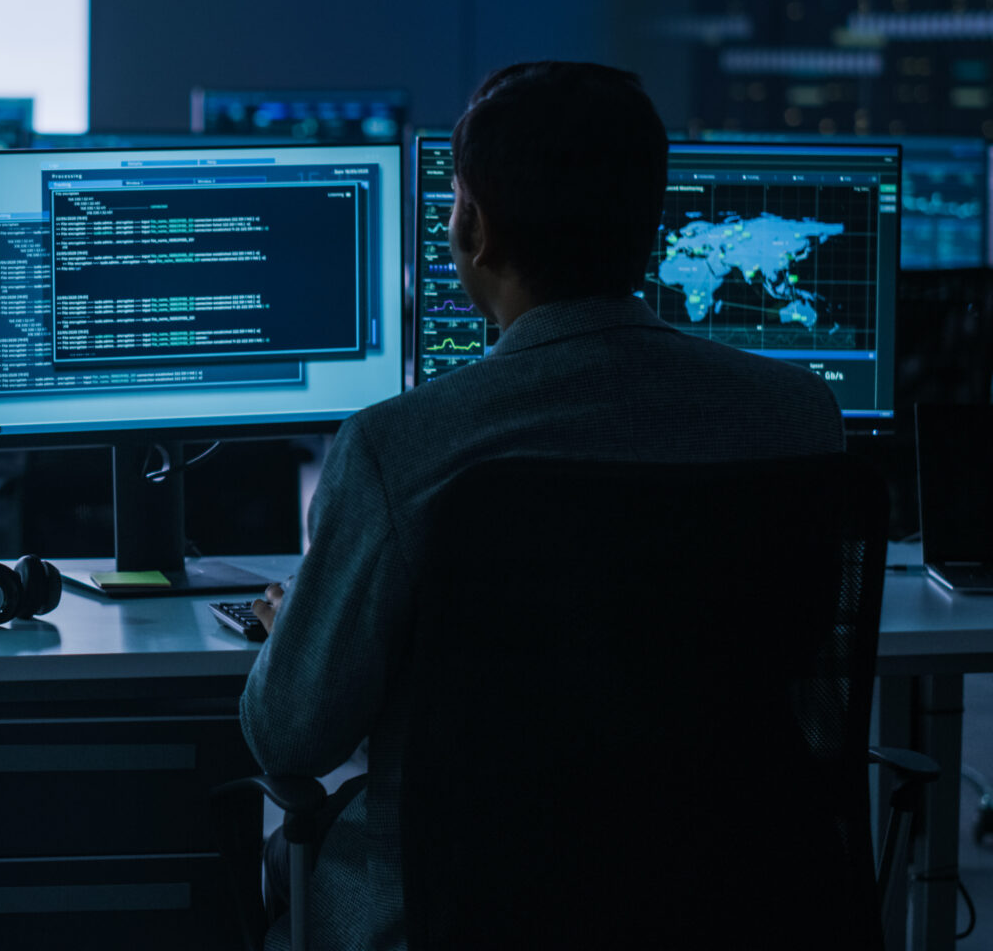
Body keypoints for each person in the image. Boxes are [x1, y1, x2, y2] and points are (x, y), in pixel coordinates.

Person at [238, 62, 845, 950]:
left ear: (475, 229)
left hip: (462, 912)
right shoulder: (797, 419)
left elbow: (287, 737)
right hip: (730, 901)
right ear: (651, 222)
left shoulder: (399, 447)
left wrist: (298, 628)